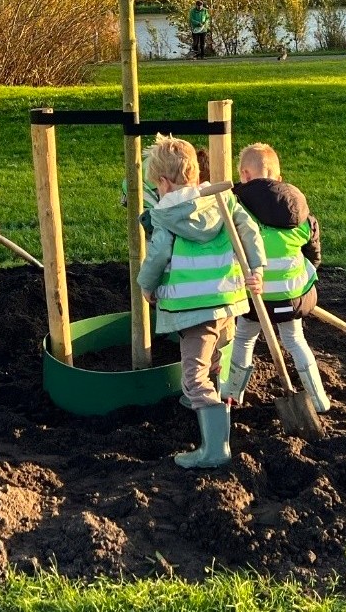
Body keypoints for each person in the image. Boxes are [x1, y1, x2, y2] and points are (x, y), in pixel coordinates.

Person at [136, 135, 265, 470]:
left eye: (157, 185)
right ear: (194, 175)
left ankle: (214, 448)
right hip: (227, 300)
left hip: (193, 308)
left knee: (194, 374)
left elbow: (157, 256)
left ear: (163, 182)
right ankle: (212, 408)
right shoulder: (221, 201)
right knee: (215, 362)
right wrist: (257, 268)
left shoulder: (166, 217)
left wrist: (145, 286)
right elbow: (248, 230)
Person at [219, 143, 328, 412]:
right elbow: (313, 255)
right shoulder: (301, 213)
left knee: (244, 338)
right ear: (278, 178)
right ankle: (318, 398)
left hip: (256, 296)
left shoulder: (238, 209)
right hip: (294, 295)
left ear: (244, 174)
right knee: (295, 340)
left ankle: (233, 394)